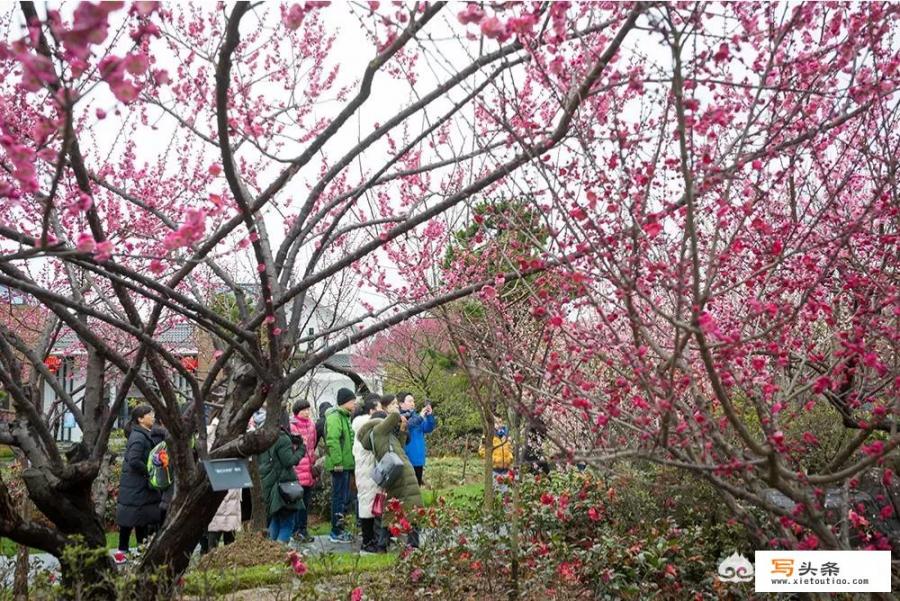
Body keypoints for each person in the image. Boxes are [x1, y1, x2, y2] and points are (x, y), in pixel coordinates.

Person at [358, 397, 423, 548]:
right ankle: (414, 544)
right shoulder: (378, 430)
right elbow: (393, 416)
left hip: (397, 471)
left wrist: (402, 431)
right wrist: (394, 409)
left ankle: (382, 544)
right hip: (402, 471)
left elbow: (399, 447)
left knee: (392, 508)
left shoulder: (380, 437)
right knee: (412, 504)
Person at [116, 405, 162, 560]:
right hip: (136, 487)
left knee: (139, 519)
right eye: (150, 414)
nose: (153, 416)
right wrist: (149, 470)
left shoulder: (142, 435)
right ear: (140, 419)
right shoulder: (139, 437)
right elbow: (134, 460)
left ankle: (139, 551)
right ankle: (125, 551)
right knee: (132, 519)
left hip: (136, 488)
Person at [258, 410, 306, 544]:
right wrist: (302, 449)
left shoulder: (263, 437)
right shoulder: (281, 438)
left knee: (276, 520)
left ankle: (271, 551)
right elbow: (288, 461)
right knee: (287, 523)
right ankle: (279, 552)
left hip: (270, 485)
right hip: (283, 488)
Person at [352, 394, 384, 553]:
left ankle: (370, 539)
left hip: (368, 472)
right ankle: (367, 541)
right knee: (367, 506)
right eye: (378, 408)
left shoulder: (364, 425)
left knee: (369, 505)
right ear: (371, 410)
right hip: (366, 472)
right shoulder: (365, 426)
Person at [205, 415, 242, 553]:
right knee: (219, 522)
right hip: (225, 479)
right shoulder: (212, 432)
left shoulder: (212, 431)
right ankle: (216, 556)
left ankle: (215, 556)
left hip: (227, 481)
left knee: (221, 522)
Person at [325, 388, 357, 543]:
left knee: (344, 498)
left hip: (346, 464)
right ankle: (336, 532)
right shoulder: (335, 417)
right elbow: (332, 441)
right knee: (339, 498)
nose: (355, 403)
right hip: (340, 465)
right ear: (345, 401)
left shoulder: (345, 417)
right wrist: (337, 462)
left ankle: (340, 529)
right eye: (352, 401)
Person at [290, 399, 318, 543]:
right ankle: (296, 530)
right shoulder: (292, 426)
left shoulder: (312, 425)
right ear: (297, 412)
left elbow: (312, 446)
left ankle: (303, 529)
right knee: (298, 503)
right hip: (297, 469)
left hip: (309, 469)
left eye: (308, 409)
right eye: (304, 410)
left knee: (306, 503)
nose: (307, 412)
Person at [398, 392, 436, 486]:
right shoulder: (399, 417)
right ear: (401, 404)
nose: (412, 403)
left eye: (413, 401)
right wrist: (420, 417)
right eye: (410, 401)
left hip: (418, 459)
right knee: (407, 489)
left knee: (416, 488)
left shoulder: (417, 417)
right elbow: (408, 425)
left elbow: (428, 428)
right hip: (406, 458)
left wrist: (429, 415)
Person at [479, 416, 513, 492]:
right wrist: (492, 459)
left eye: (500, 422)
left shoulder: (506, 435)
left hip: (506, 470)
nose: (499, 424)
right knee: (495, 493)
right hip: (494, 470)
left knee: (506, 494)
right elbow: (482, 450)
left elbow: (510, 448)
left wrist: (510, 457)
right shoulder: (487, 435)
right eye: (496, 423)